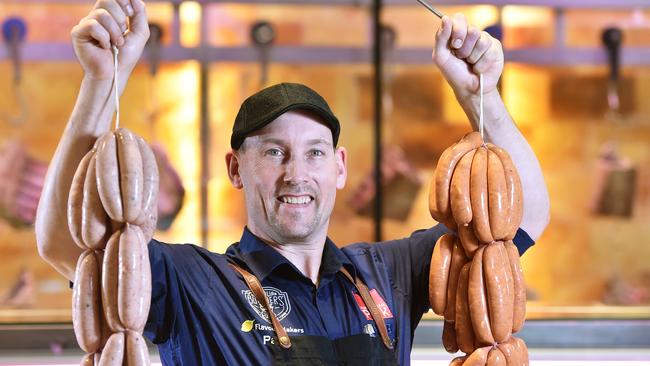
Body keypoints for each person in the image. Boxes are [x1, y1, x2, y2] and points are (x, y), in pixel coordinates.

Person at [35, 0, 550, 365]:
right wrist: (103, 81)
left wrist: (481, 97)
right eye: (275, 152)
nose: (296, 174)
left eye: (315, 153)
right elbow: (67, 240)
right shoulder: (193, 282)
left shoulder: (387, 274)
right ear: (236, 169)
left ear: (339, 168)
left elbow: (521, 216)